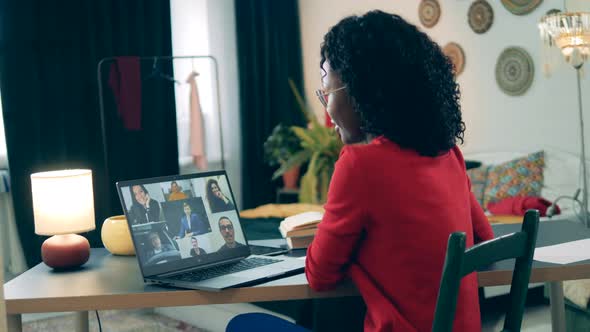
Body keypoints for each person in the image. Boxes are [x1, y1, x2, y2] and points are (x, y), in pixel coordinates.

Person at [304, 11, 494, 332]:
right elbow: (484, 239)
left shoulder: (359, 165)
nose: (328, 108)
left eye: (327, 89)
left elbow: (320, 276)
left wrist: (359, 264)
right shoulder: (448, 154)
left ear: (361, 90)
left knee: (245, 323)